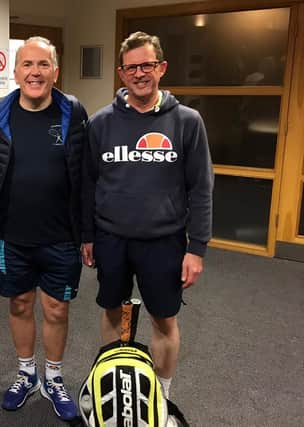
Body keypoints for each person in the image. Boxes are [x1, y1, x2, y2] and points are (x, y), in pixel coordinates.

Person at [81, 31, 214, 400]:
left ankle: (162, 400)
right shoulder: (101, 123)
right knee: (112, 314)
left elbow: (201, 188)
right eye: (132, 67)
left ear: (162, 68)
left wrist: (197, 248)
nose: (140, 73)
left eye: (147, 65)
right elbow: (88, 184)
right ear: (121, 74)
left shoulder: (187, 122)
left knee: (163, 321)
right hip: (111, 239)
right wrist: (87, 235)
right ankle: (114, 393)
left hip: (164, 242)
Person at [0, 36, 88, 422]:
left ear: (55, 71)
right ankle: (26, 374)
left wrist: (88, 234)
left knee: (57, 309)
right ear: (15, 71)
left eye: (43, 65)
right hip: (13, 235)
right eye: (27, 65)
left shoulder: (73, 111)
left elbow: (86, 176)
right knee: (20, 304)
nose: (35, 72)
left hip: (62, 235)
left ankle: (54, 378)